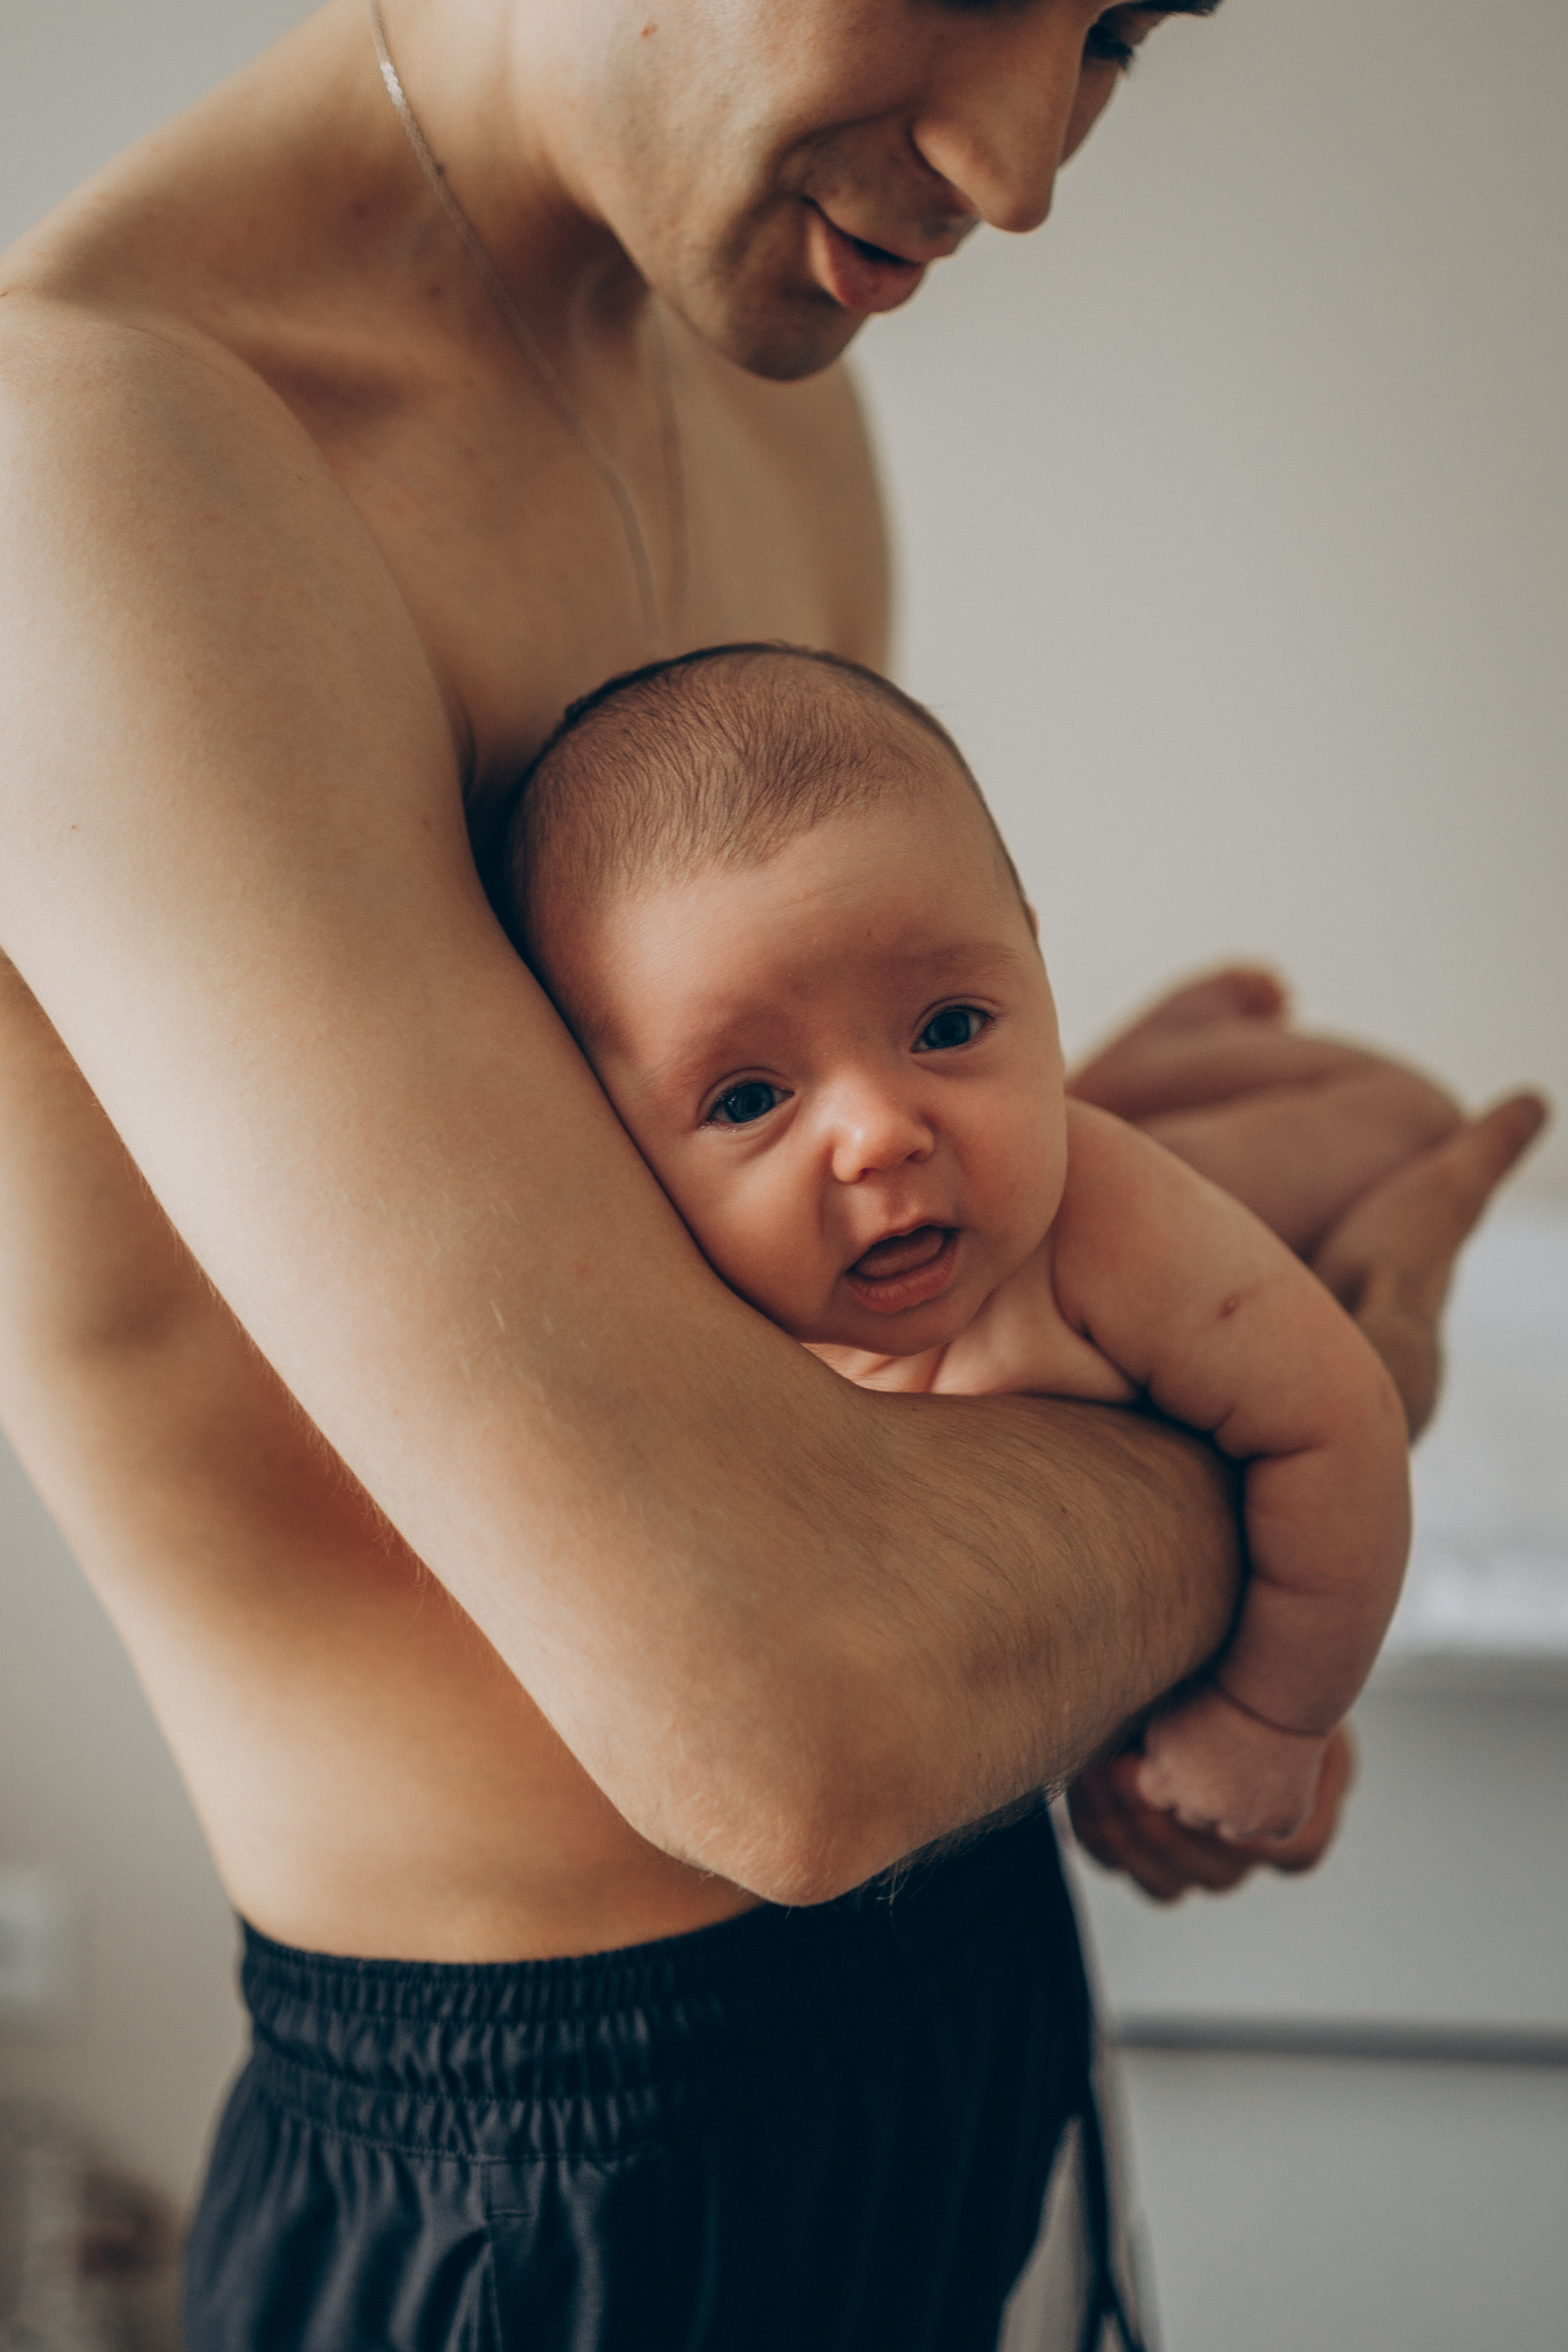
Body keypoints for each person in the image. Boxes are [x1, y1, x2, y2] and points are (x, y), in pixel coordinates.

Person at [0, 2, 1545, 2345]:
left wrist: (1160, 1231)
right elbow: (789, 1727)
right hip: (554, 2171)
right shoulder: (92, 471)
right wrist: (1312, 1424)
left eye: (1123, 30)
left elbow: (799, 1355)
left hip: (973, 1996)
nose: (1027, 167)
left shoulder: (756, 394)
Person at [499, 641, 1415, 1845]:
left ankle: (1222, 1056)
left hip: (1176, 1330)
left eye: (945, 1024)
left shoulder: (1108, 1221)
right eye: (747, 1099)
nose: (876, 1135)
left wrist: (1273, 1714)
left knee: (1365, 1146)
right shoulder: (677, 1322)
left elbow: (1334, 1424)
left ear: (1033, 960)